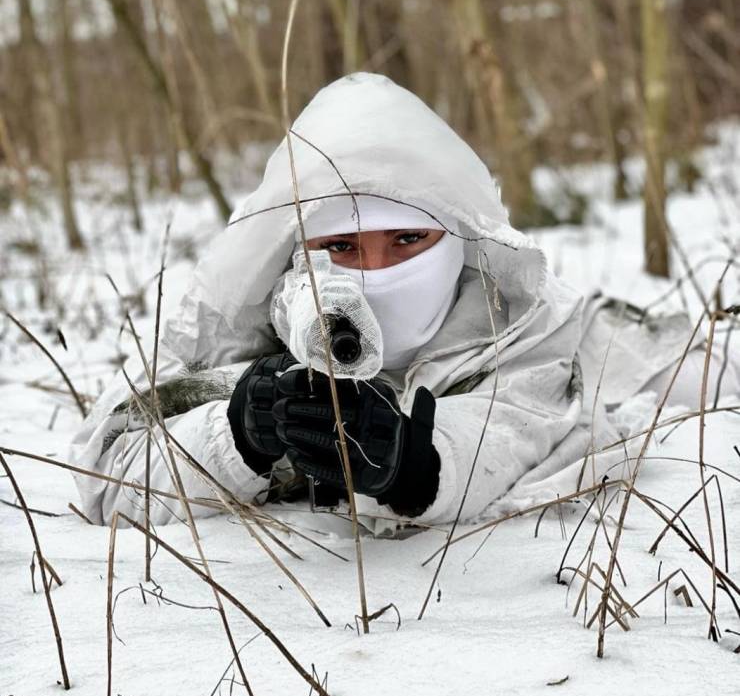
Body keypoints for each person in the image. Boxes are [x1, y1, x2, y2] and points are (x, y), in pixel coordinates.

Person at [70, 73, 738, 528]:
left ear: (458, 237)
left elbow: (523, 429)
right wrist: (237, 436)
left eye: (408, 239)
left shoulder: (529, 323)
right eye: (344, 248)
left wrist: (415, 468)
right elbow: (108, 475)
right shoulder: (234, 325)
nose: (378, 270)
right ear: (297, 253)